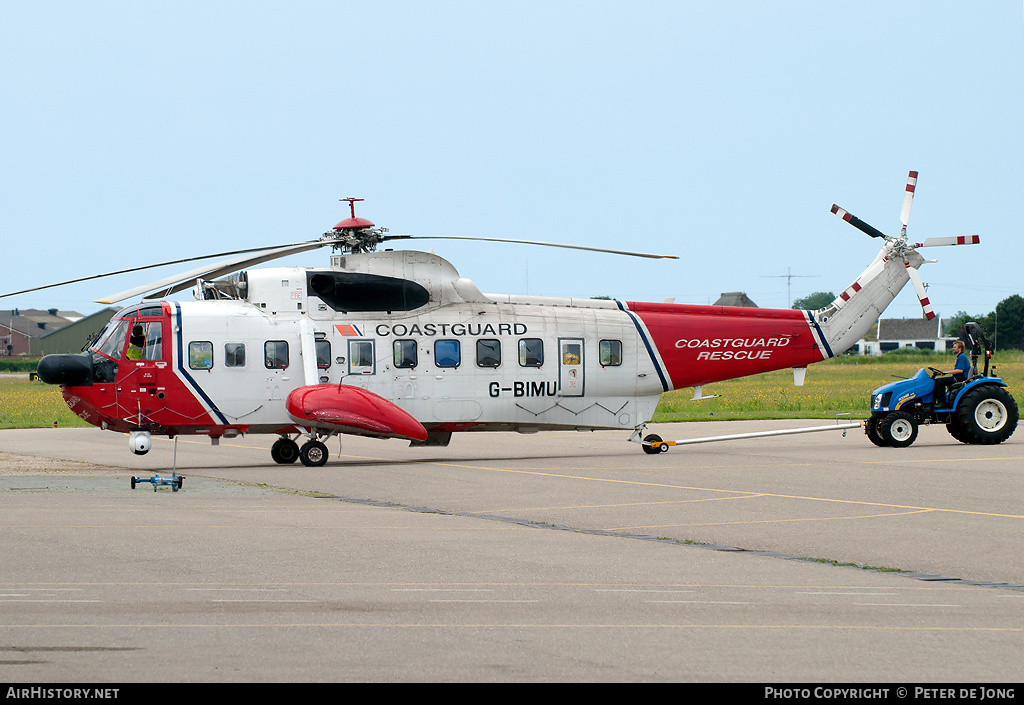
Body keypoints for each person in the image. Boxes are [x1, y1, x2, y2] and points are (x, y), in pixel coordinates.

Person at [934, 339, 970, 405]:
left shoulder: (962, 357)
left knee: (939, 381)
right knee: (936, 381)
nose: (953, 348)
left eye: (954, 347)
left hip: (960, 378)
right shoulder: (960, 356)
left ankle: (942, 402)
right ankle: (937, 400)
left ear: (960, 349)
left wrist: (946, 372)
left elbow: (960, 370)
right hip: (958, 377)